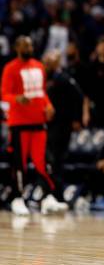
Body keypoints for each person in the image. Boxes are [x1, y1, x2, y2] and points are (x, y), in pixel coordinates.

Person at [2, 36, 68, 215]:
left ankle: (47, 198)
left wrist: (48, 105)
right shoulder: (10, 68)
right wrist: (16, 98)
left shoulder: (38, 66)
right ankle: (17, 198)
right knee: (20, 163)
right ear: (17, 47)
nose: (29, 47)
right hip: (19, 123)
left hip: (38, 122)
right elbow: (4, 93)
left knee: (43, 162)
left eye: (30, 45)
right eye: (25, 45)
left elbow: (42, 92)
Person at [43, 50, 83, 202]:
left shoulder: (64, 78)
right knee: (51, 162)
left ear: (57, 62)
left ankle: (57, 196)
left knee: (56, 161)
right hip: (50, 125)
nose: (46, 63)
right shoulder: (48, 78)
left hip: (61, 125)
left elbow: (78, 96)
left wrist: (76, 119)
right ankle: (51, 194)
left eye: (50, 61)